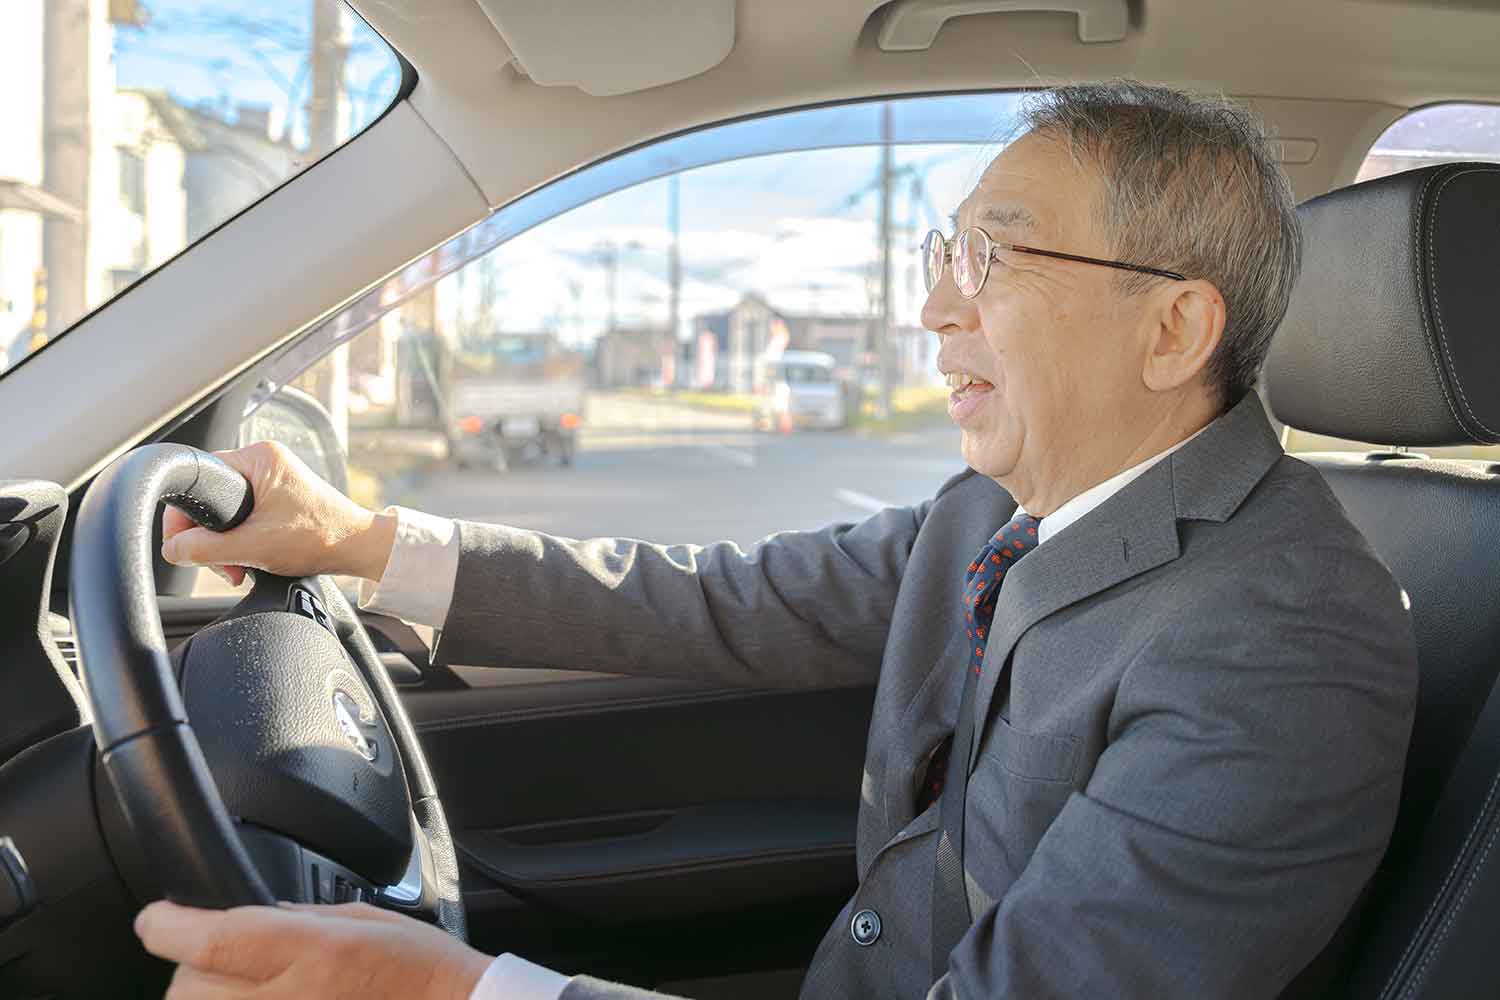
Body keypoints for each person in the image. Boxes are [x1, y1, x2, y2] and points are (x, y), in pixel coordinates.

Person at [135, 81, 1418, 999]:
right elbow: (716, 602)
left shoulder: (1284, 644)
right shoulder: (996, 511)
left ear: (1173, 332)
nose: (931, 306)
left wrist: (463, 995)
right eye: (942, 251)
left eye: (992, 256)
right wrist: (359, 538)